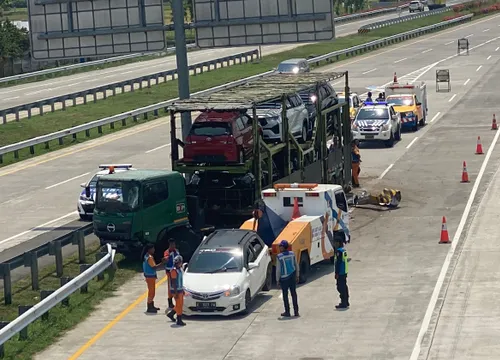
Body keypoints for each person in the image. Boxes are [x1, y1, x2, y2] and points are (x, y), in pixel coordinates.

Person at [276, 240, 299, 317]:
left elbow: (278, 270)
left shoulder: (279, 257)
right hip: (292, 276)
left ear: (283, 247)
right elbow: (296, 265)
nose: (279, 247)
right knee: (294, 294)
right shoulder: (292, 254)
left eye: (280, 246)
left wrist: (277, 280)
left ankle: (287, 312)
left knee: (285, 296)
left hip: (284, 278)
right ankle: (296, 311)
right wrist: (297, 275)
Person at [142, 244, 165, 314]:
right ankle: (149, 306)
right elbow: (154, 267)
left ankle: (151, 305)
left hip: (148, 276)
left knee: (151, 291)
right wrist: (162, 263)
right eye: (153, 249)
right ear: (149, 249)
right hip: (150, 276)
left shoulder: (146, 256)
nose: (154, 250)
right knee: (152, 292)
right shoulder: (149, 258)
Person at [166, 255, 186, 326]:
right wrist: (176, 292)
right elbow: (174, 282)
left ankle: (171, 314)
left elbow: (180, 280)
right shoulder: (174, 270)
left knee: (180, 304)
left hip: (180, 289)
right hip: (176, 290)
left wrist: (182, 289)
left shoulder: (179, 269)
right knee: (179, 305)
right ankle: (179, 320)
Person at [163, 238, 180, 311]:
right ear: (169, 245)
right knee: (170, 287)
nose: (173, 246)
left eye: (174, 244)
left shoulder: (177, 251)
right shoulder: (167, 252)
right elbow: (165, 259)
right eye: (171, 244)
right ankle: (170, 301)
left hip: (177, 270)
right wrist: (168, 256)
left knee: (176, 285)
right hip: (169, 271)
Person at [334, 239, 350, 309]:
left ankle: (343, 302)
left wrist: (336, 273)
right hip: (344, 271)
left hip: (340, 272)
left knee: (340, 287)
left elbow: (338, 263)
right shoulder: (344, 250)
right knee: (344, 286)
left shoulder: (339, 252)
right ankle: (346, 301)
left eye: (336, 243)